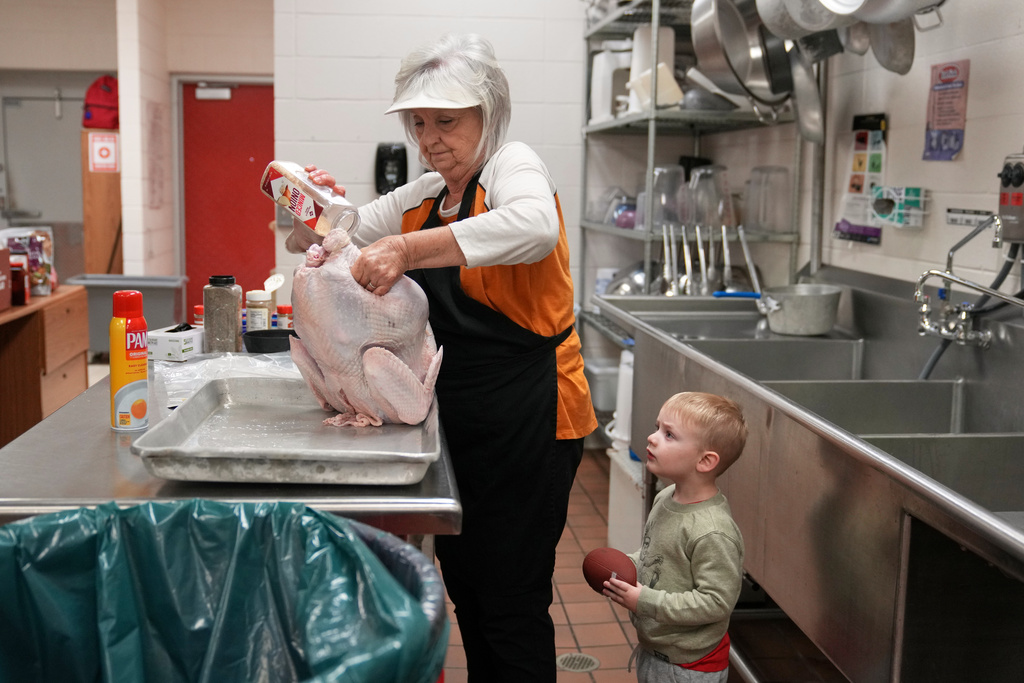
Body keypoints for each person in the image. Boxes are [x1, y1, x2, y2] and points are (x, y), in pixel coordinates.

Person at [287, 34, 597, 682]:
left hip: (531, 417)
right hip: (459, 423)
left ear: (488, 111)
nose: (429, 138)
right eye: (419, 122)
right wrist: (305, 214)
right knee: (471, 593)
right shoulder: (427, 194)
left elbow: (535, 225)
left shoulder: (515, 165)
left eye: (446, 121)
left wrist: (407, 251)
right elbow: (342, 229)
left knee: (510, 603)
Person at [603, 392, 746, 683]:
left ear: (705, 461)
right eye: (658, 428)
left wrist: (646, 600)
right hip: (657, 649)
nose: (653, 438)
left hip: (688, 667)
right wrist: (627, 566)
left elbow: (716, 602)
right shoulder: (667, 496)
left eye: (669, 434)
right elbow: (656, 553)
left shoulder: (712, 530)